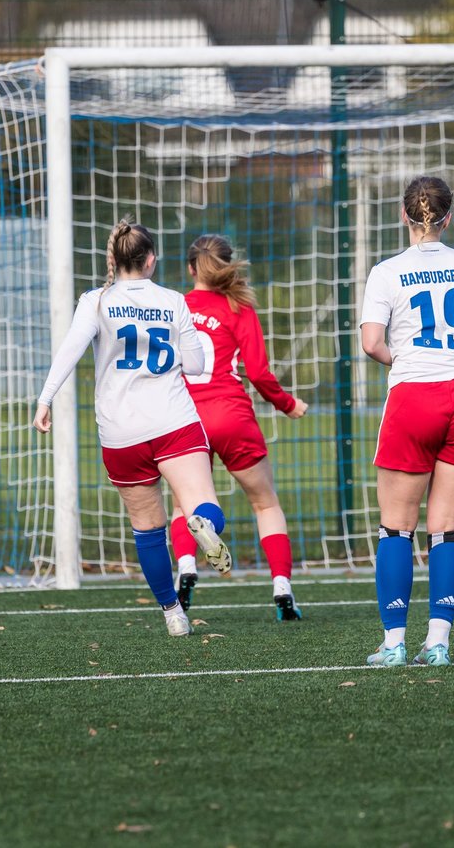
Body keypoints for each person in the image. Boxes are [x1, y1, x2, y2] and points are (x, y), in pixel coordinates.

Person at [33, 217, 233, 637]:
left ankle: (173, 614)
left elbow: (69, 351)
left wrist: (45, 399)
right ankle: (205, 528)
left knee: (148, 527)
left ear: (114, 258)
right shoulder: (175, 301)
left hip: (122, 432)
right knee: (202, 504)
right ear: (151, 260)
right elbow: (197, 364)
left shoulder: (96, 301)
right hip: (173, 420)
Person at [359, 175, 454, 667]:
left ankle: (394, 643)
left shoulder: (387, 271)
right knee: (447, 529)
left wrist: (406, 361)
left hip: (414, 395)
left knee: (397, 528)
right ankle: (438, 643)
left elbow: (372, 342)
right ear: (448, 217)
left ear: (405, 216)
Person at [166, 233, 310, 621]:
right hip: (230, 415)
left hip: (184, 417)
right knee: (265, 503)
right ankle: (282, 586)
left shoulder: (173, 307)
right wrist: (288, 404)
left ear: (191, 268)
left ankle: (186, 566)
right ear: (227, 266)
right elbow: (260, 374)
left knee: (183, 504)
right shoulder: (238, 306)